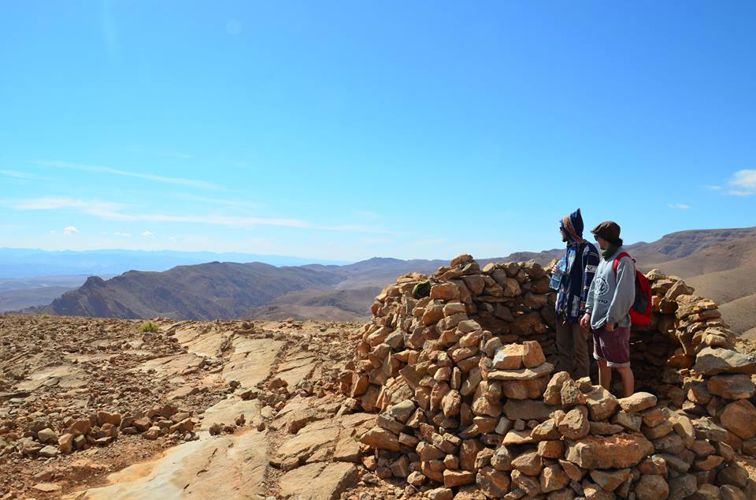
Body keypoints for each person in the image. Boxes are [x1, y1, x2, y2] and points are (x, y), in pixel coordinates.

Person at [581, 221, 635, 397]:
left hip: (614, 324)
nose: (596, 241)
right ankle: (604, 399)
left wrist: (612, 319)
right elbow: (594, 288)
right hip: (598, 321)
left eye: (597, 237)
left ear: (605, 239)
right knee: (601, 362)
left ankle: (630, 405)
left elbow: (624, 294)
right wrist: (588, 312)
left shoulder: (623, 260)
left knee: (621, 366)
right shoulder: (605, 259)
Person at [551, 209, 599, 379]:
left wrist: (586, 310)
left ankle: (583, 389)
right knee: (562, 348)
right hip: (563, 309)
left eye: (562, 228)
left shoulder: (589, 251)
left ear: (569, 229)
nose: (560, 232)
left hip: (578, 311)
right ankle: (565, 384)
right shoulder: (570, 249)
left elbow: (591, 283)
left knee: (580, 351)